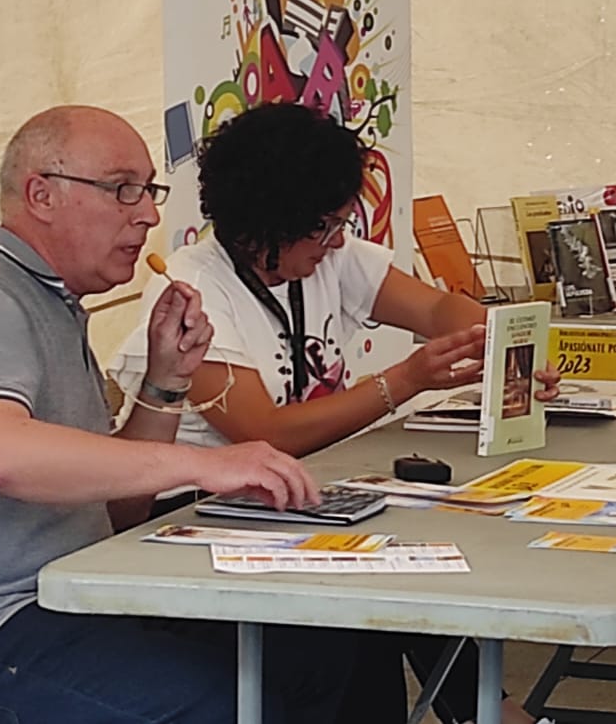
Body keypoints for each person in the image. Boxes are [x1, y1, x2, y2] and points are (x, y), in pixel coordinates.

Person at [0, 105, 352, 723]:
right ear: (41, 194)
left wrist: (166, 384)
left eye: (149, 191)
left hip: (74, 596)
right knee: (226, 708)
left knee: (324, 648)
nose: (147, 214)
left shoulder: (51, 302)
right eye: (123, 190)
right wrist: (205, 463)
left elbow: (114, 513)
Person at [108, 102, 559, 724]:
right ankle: (487, 711)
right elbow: (267, 433)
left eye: (342, 221)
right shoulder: (191, 292)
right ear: (269, 220)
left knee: (418, 549)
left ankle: (485, 708)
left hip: (294, 498)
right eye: (322, 225)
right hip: (197, 515)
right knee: (366, 595)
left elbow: (436, 312)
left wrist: (506, 346)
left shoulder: (328, 258)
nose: (337, 240)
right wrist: (404, 380)